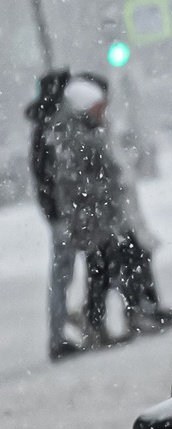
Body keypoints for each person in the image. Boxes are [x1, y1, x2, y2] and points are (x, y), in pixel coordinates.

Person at [44, 76, 172, 348]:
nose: (102, 113)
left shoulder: (83, 131)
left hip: (102, 217)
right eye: (97, 108)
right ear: (84, 107)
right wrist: (106, 188)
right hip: (94, 219)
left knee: (109, 267)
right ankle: (113, 319)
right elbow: (73, 184)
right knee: (103, 269)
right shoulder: (75, 136)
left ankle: (117, 317)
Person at [25, 70, 83, 359]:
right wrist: (60, 212)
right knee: (61, 275)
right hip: (63, 213)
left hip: (60, 212)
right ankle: (59, 338)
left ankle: (62, 333)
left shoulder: (45, 128)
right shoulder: (52, 129)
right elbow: (50, 176)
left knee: (63, 275)